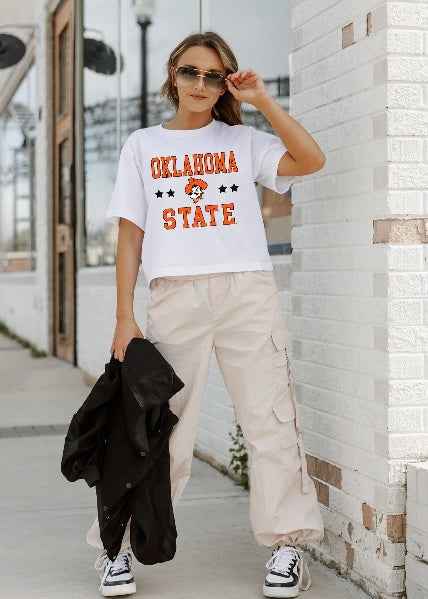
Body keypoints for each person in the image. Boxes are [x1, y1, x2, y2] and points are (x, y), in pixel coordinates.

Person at [87, 30, 326, 598]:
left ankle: (286, 544)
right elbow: (130, 238)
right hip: (175, 296)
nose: (200, 84)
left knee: (270, 421)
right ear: (173, 74)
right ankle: (113, 549)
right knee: (154, 431)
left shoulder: (243, 140)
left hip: (247, 293)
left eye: (213, 76)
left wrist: (264, 101)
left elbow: (310, 160)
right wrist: (126, 315)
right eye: (191, 72)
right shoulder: (143, 146)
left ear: (225, 84)